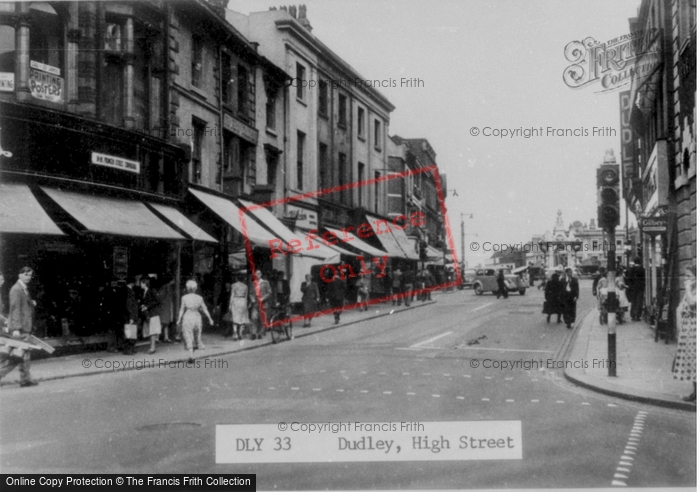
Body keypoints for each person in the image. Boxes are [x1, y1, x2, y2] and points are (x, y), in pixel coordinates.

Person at [0, 267, 38, 387]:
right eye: (26, 274)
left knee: (24, 353)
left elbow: (21, 306)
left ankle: (26, 379)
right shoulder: (16, 289)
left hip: (24, 327)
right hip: (20, 328)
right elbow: (15, 309)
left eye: (30, 275)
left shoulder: (22, 289)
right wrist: (16, 328)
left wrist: (31, 303)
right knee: (17, 356)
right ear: (20, 275)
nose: (28, 277)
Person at [673, 266, 697, 402]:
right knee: (692, 362)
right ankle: (695, 392)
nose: (685, 279)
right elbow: (681, 307)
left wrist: (687, 288)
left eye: (689, 276)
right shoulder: (691, 290)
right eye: (685, 276)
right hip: (688, 329)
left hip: (695, 328)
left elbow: (693, 303)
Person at [176, 279, 214, 363]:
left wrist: (179, 319)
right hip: (197, 316)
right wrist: (210, 318)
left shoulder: (184, 297)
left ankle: (191, 354)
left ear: (187, 288)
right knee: (197, 335)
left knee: (188, 334)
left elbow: (181, 310)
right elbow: (205, 309)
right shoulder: (199, 298)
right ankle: (194, 350)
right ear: (195, 288)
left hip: (188, 316)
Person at [138, 276, 161, 354]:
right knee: (149, 331)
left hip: (153, 313)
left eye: (141, 283)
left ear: (145, 283)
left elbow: (158, 301)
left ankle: (152, 347)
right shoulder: (143, 292)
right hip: (148, 314)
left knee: (153, 331)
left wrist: (147, 306)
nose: (140, 284)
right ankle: (152, 346)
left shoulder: (152, 290)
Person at [249, 270, 272, 340]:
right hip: (255, 303)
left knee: (262, 319)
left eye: (258, 274)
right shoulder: (253, 283)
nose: (257, 275)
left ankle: (260, 334)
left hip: (263, 303)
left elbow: (270, 293)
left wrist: (263, 298)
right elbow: (250, 293)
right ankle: (253, 333)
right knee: (254, 318)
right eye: (256, 274)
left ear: (261, 274)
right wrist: (252, 299)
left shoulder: (265, 283)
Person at [228, 273, 249, 340]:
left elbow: (232, 295)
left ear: (237, 278)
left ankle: (235, 333)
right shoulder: (245, 286)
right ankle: (240, 333)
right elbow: (246, 296)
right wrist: (246, 304)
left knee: (235, 317)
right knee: (242, 318)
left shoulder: (233, 285)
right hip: (243, 301)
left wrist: (230, 304)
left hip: (235, 300)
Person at [157, 277, 176, 343]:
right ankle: (157, 337)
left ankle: (165, 337)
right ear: (171, 280)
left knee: (165, 323)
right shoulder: (166, 287)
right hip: (165, 306)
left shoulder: (167, 287)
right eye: (173, 280)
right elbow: (160, 297)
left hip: (166, 306)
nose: (174, 281)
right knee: (163, 322)